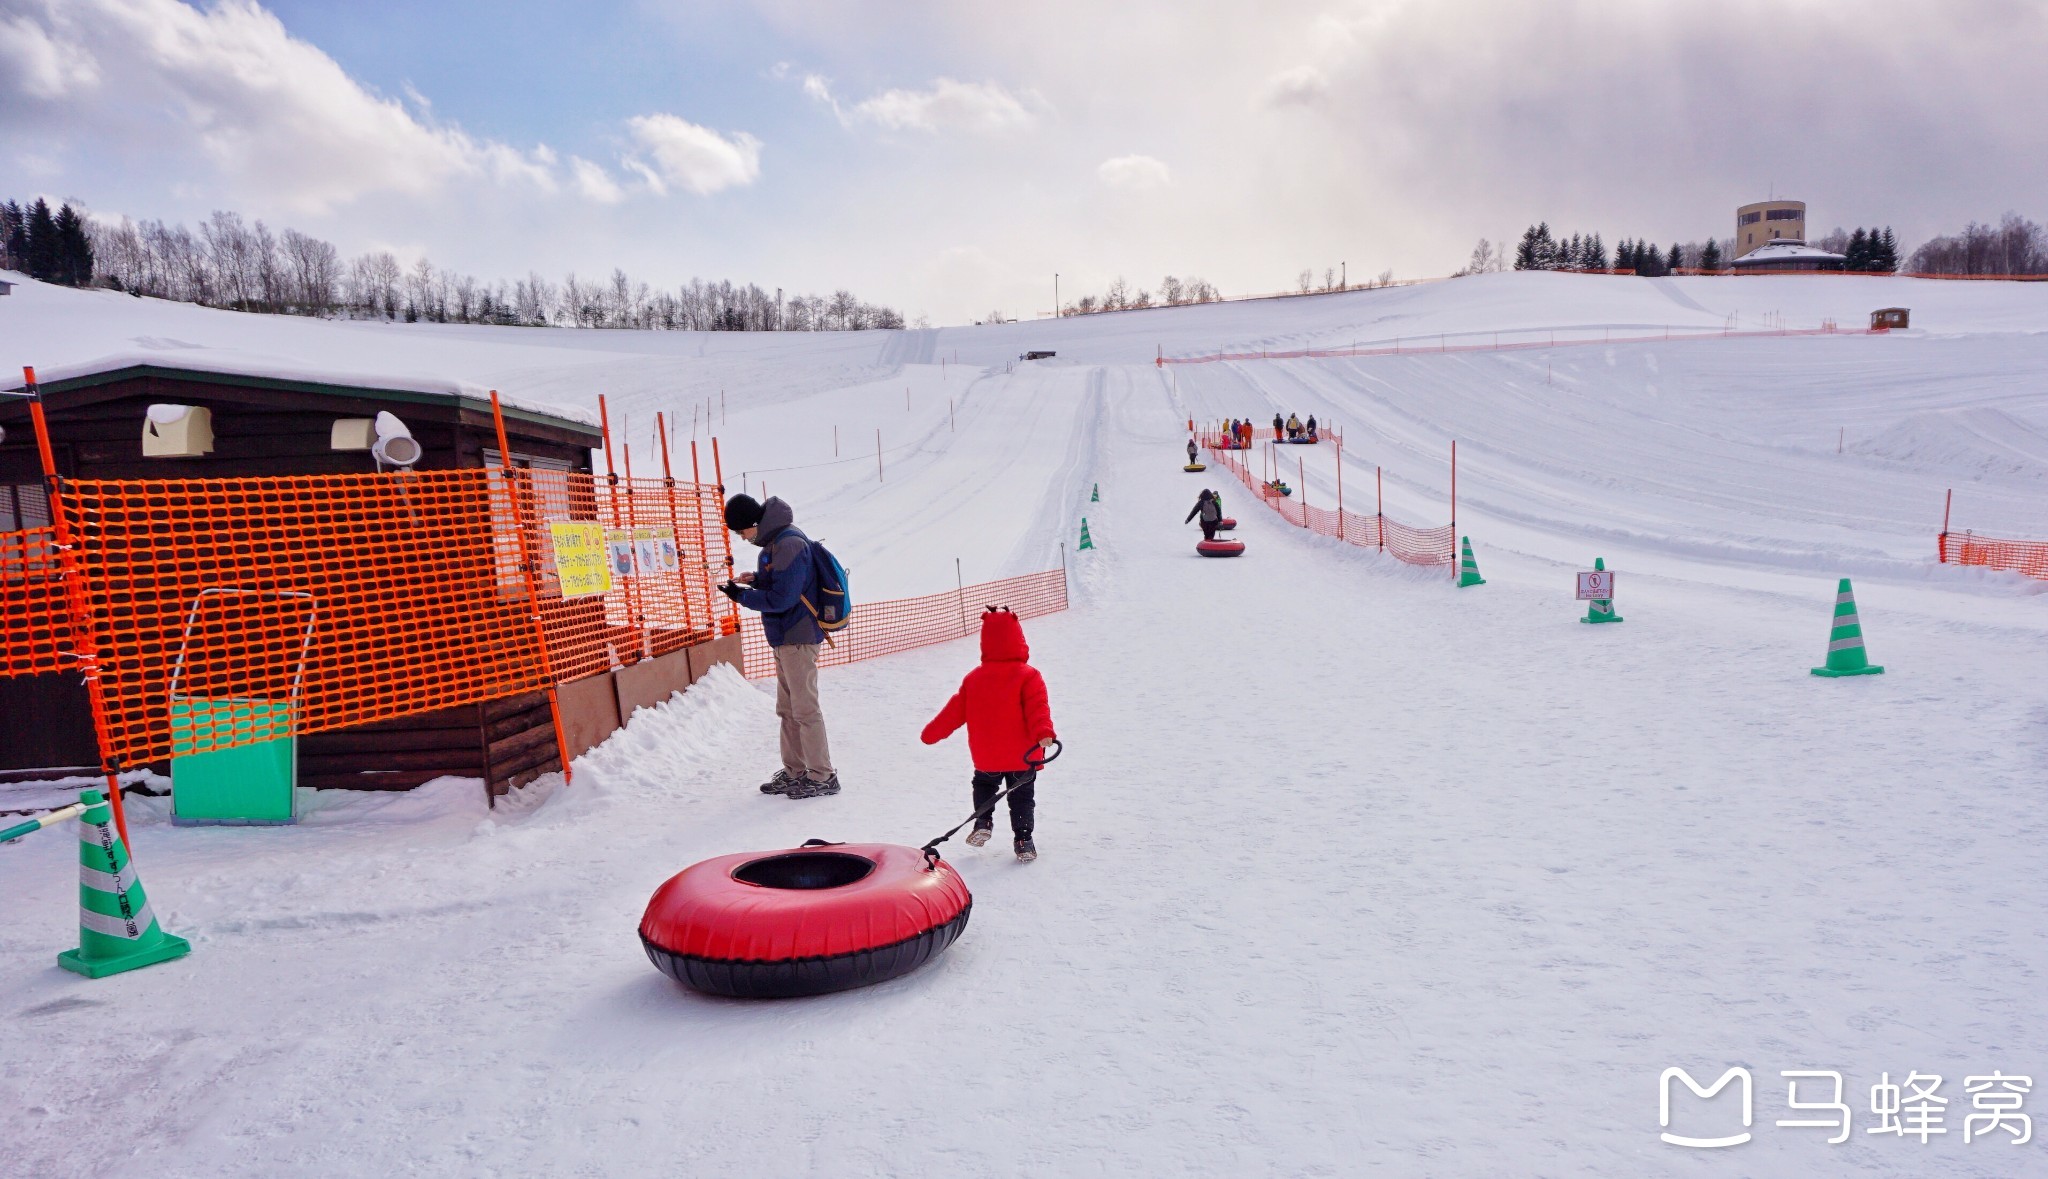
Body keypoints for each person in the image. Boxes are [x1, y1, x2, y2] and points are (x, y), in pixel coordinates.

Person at [720, 494, 838, 799]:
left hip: (798, 637)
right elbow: (786, 584)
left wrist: (742, 597)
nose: (742, 538)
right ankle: (795, 771)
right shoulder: (777, 542)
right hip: (786, 637)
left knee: (805, 710)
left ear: (754, 524)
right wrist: (758, 580)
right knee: (787, 710)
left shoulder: (788, 543)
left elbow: (784, 598)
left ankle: (822, 775)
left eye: (741, 531)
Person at [920, 607, 1057, 862]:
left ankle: (983, 821)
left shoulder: (974, 679)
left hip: (987, 754)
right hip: (1023, 756)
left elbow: (953, 712)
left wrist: (931, 733)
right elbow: (1038, 709)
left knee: (984, 785)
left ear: (986, 641)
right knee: (1022, 796)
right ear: (1019, 639)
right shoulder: (1029, 676)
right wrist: (1044, 733)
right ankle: (1023, 839)